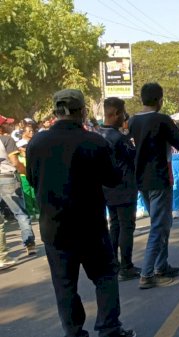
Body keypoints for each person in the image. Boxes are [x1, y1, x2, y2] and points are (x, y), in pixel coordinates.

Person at [26, 89, 135, 337]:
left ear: (55, 112)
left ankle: (74, 333)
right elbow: (112, 178)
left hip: (54, 227)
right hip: (90, 226)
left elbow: (33, 179)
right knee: (105, 276)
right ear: (83, 111)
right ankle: (109, 329)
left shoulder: (37, 142)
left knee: (65, 285)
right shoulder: (95, 142)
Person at [129, 83, 179, 289]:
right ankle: (148, 273)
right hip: (159, 178)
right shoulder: (162, 120)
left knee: (164, 222)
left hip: (141, 179)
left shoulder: (132, 121)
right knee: (159, 224)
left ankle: (161, 265)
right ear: (159, 100)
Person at [99, 97, 141, 281]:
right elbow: (133, 156)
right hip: (123, 187)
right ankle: (126, 265)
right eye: (123, 113)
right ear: (115, 113)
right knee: (126, 226)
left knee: (114, 225)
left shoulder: (98, 134)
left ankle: (113, 264)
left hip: (107, 188)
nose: (125, 117)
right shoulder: (118, 138)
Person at [0, 115, 36, 256]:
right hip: (8, 178)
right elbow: (15, 162)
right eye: (7, 124)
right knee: (20, 213)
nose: (10, 126)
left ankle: (3, 254)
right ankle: (29, 244)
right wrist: (27, 173)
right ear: (2, 127)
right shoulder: (6, 140)